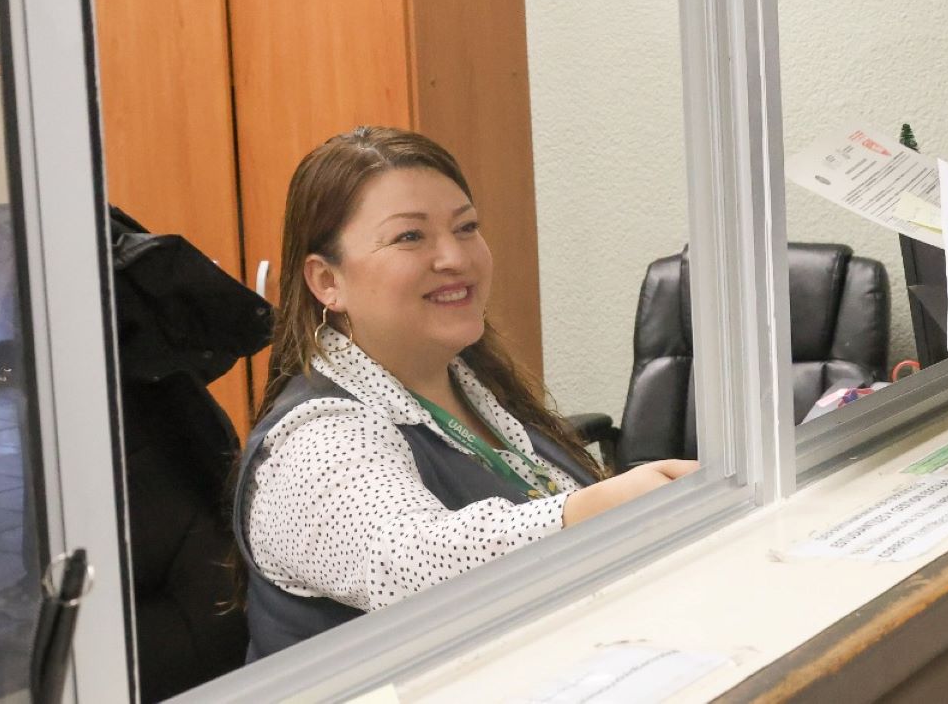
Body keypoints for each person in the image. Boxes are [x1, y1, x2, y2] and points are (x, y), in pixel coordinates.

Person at [232, 127, 697, 657]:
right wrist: (585, 510)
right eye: (410, 237)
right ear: (326, 282)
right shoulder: (317, 439)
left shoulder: (470, 387)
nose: (455, 256)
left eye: (467, 227)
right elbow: (406, 562)